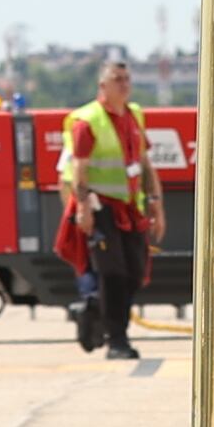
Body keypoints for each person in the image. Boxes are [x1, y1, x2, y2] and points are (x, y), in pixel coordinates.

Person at [59, 56, 158, 363]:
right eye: (118, 80)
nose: (125, 85)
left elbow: (143, 163)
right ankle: (117, 340)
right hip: (102, 209)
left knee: (134, 273)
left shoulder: (134, 115)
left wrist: (155, 202)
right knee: (112, 274)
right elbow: (79, 169)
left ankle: (93, 314)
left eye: (127, 79)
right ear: (103, 85)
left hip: (130, 209)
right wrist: (84, 208)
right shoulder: (87, 121)